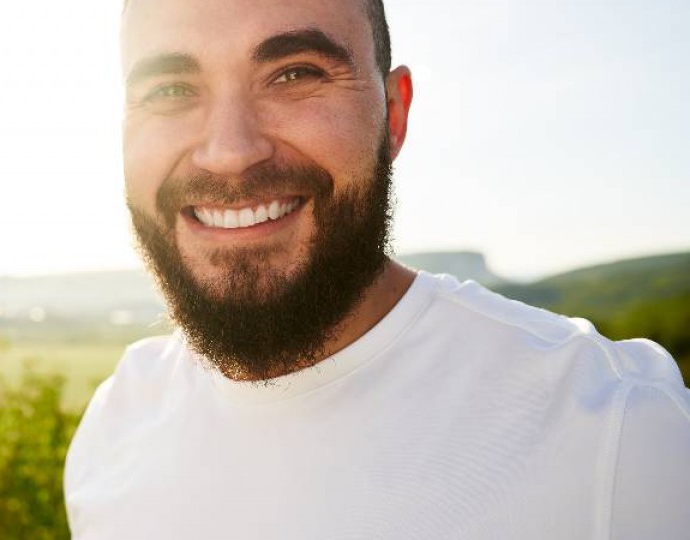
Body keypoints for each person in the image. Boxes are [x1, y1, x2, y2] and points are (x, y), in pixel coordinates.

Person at [63, 0, 690, 538]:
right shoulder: (116, 430)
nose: (231, 151)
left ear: (393, 113)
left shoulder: (621, 431)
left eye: (294, 73)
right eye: (169, 90)